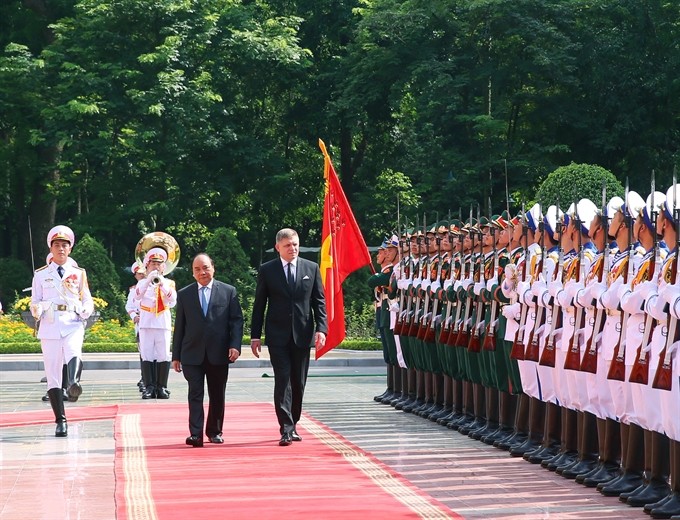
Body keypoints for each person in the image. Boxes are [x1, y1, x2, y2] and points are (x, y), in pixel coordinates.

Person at [250, 228, 328, 446]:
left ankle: (293, 422)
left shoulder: (310, 268)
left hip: (302, 334)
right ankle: (285, 427)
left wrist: (322, 329)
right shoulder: (268, 270)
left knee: (298, 382)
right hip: (277, 335)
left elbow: (319, 301)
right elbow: (259, 305)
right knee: (283, 380)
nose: (292, 248)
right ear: (278, 248)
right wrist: (255, 335)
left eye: (295, 244)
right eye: (287, 245)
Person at [172, 253, 244, 447]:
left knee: (217, 393)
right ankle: (196, 434)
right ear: (193, 273)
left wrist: (235, 345)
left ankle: (214, 431)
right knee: (195, 393)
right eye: (197, 269)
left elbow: (236, 321)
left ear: (213, 268)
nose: (202, 272)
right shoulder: (185, 294)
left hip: (219, 353)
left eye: (205, 267)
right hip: (191, 354)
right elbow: (180, 326)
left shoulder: (228, 292)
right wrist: (176, 356)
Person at [30, 225, 94, 437]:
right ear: (51, 248)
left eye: (64, 245)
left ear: (70, 248)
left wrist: (86, 310)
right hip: (50, 323)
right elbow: (35, 299)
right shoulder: (41, 275)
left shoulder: (78, 273)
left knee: (74, 351)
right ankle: (61, 420)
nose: (61, 249)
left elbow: (87, 299)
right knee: (53, 375)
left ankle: (74, 382)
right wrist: (36, 309)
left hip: (73, 320)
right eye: (56, 245)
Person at [134, 246, 177, 399]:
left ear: (163, 266)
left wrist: (161, 284)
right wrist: (148, 280)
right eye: (153, 263)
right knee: (147, 354)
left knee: (164, 354)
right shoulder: (141, 284)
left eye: (159, 264)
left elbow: (173, 300)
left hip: (162, 323)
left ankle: (162, 387)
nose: (156, 266)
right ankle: (149, 387)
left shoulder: (169, 283)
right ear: (147, 265)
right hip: (146, 322)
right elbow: (137, 297)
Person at [125, 261, 146, 392]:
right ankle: (145, 378)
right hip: (141, 323)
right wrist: (134, 317)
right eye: (139, 274)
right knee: (144, 352)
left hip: (154, 321)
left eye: (144, 273)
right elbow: (129, 306)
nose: (142, 276)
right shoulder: (134, 290)